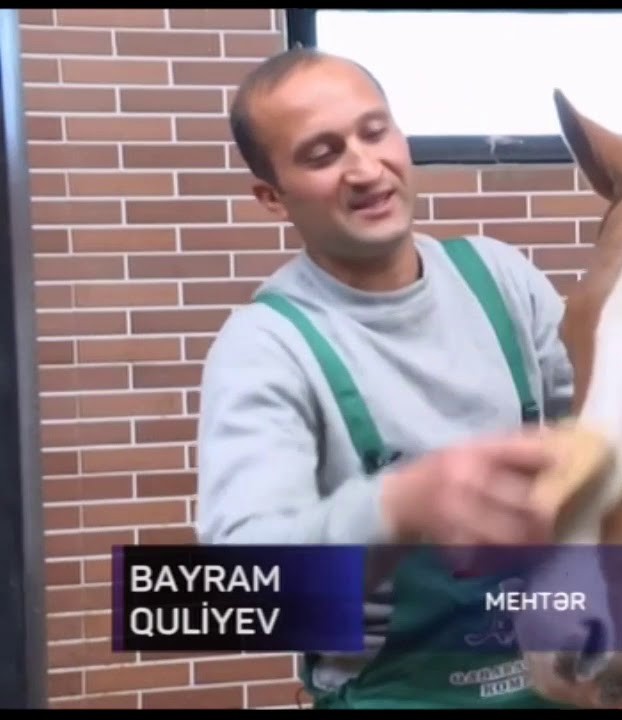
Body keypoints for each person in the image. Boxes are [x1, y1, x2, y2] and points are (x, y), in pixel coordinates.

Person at [194, 47, 580, 709]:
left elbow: (603, 459)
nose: (366, 169)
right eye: (322, 154)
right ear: (271, 197)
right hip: (391, 693)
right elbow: (242, 590)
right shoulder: (267, 345)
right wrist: (402, 505)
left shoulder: (504, 282)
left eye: (376, 132)